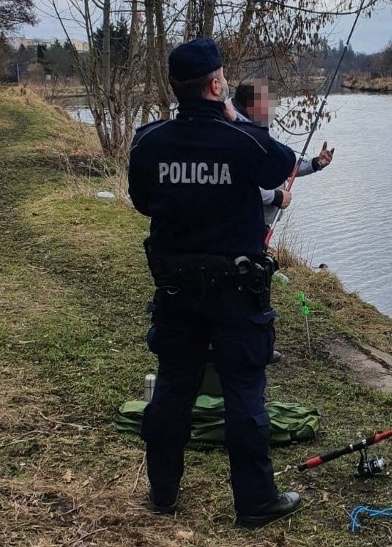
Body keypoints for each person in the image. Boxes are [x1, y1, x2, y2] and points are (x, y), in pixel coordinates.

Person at [127, 38, 301, 528]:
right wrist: (234, 116)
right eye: (222, 77)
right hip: (236, 290)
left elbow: (142, 202)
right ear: (215, 84)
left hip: (176, 289)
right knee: (244, 390)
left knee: (173, 386)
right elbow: (283, 162)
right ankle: (255, 502)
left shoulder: (149, 140)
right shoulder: (241, 137)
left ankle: (162, 494)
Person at [231, 79, 335, 225]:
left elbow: (283, 163)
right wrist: (275, 197)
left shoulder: (261, 125)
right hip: (243, 222)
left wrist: (315, 163)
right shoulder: (233, 131)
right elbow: (238, 186)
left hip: (261, 223)